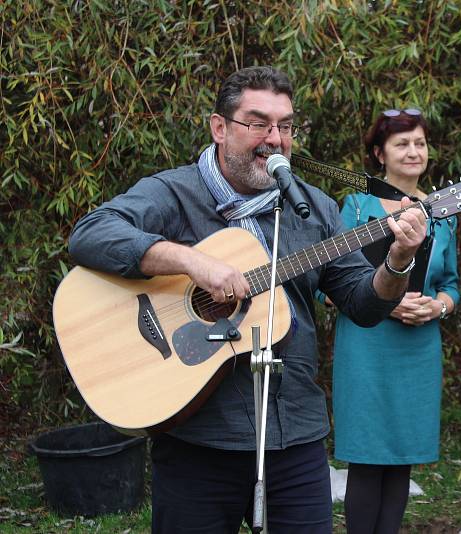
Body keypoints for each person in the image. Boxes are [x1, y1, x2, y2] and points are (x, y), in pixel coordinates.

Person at [68, 66, 427, 534]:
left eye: (285, 126)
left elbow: (364, 303)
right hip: (198, 438)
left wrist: (398, 261)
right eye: (258, 123)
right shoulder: (175, 192)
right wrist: (189, 262)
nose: (274, 139)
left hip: (294, 433)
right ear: (220, 128)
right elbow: (91, 235)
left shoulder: (313, 207)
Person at [325, 108, 460, 533]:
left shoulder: (444, 209)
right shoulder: (356, 207)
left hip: (418, 349)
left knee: (402, 457)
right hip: (366, 344)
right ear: (379, 154)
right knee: (367, 457)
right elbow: (328, 281)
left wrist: (437, 307)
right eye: (402, 143)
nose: (414, 151)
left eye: (419, 142)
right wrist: (383, 300)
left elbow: (452, 285)